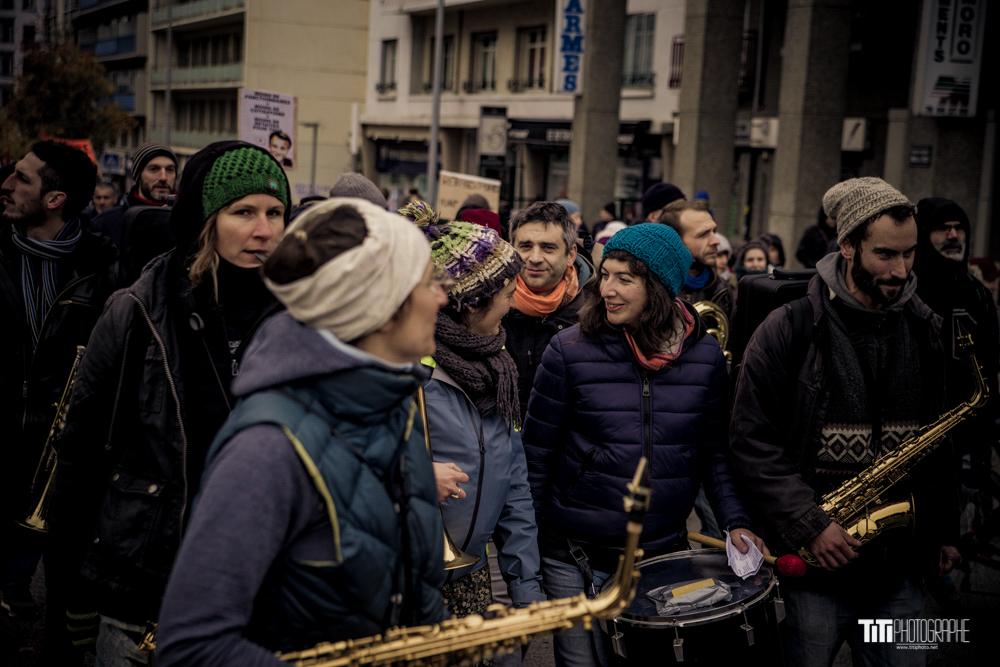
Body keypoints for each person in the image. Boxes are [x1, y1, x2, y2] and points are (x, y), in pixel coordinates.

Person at [154, 197, 449, 665]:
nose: (443, 298)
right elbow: (191, 647)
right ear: (383, 309)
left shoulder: (397, 403)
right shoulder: (266, 448)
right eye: (429, 283)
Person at [49, 141, 290, 666]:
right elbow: (82, 453)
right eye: (243, 211)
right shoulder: (136, 311)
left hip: (256, 592)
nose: (264, 230)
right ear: (205, 218)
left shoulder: (305, 317)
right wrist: (73, 587)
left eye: (275, 213)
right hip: (143, 589)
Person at [730, 177, 962, 667]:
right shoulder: (788, 327)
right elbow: (752, 443)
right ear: (848, 245)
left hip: (900, 570)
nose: (900, 270)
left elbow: (940, 445)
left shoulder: (926, 329)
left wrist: (944, 530)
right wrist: (810, 525)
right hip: (815, 569)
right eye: (884, 254)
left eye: (909, 253)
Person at [523, 223, 766, 667]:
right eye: (605, 275)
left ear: (657, 287)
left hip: (660, 557)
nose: (608, 290)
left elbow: (714, 453)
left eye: (624, 279)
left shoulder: (705, 356)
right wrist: (527, 555)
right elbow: (535, 459)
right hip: (572, 557)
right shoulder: (568, 349)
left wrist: (735, 520)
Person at [0, 141, 118, 660]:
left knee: (66, 596)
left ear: (55, 199)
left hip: (64, 451)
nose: (5, 184)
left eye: (21, 179)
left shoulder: (107, 267)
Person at [409, 211, 545, 631]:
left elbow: (514, 486)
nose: (513, 302)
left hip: (471, 577)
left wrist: (527, 588)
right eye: (506, 292)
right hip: (409, 580)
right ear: (470, 303)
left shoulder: (500, 368)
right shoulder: (411, 369)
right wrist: (417, 475)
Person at [913, 197, 999, 514]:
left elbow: (990, 370)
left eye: (958, 228)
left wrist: (981, 447)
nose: (953, 236)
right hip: (913, 441)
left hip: (962, 439)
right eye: (941, 229)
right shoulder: (906, 291)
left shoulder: (977, 293)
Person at [503, 201, 594, 421]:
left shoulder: (595, 314)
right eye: (525, 246)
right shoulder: (488, 308)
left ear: (571, 254)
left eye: (548, 247)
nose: (534, 258)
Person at [90, 143, 178, 250]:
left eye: (170, 170)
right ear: (138, 176)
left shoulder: (189, 221)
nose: (163, 178)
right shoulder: (105, 224)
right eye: (154, 169)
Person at [657, 199, 733, 319]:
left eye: (714, 231)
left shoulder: (721, 289)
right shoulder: (652, 290)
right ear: (675, 241)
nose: (716, 241)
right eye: (703, 234)